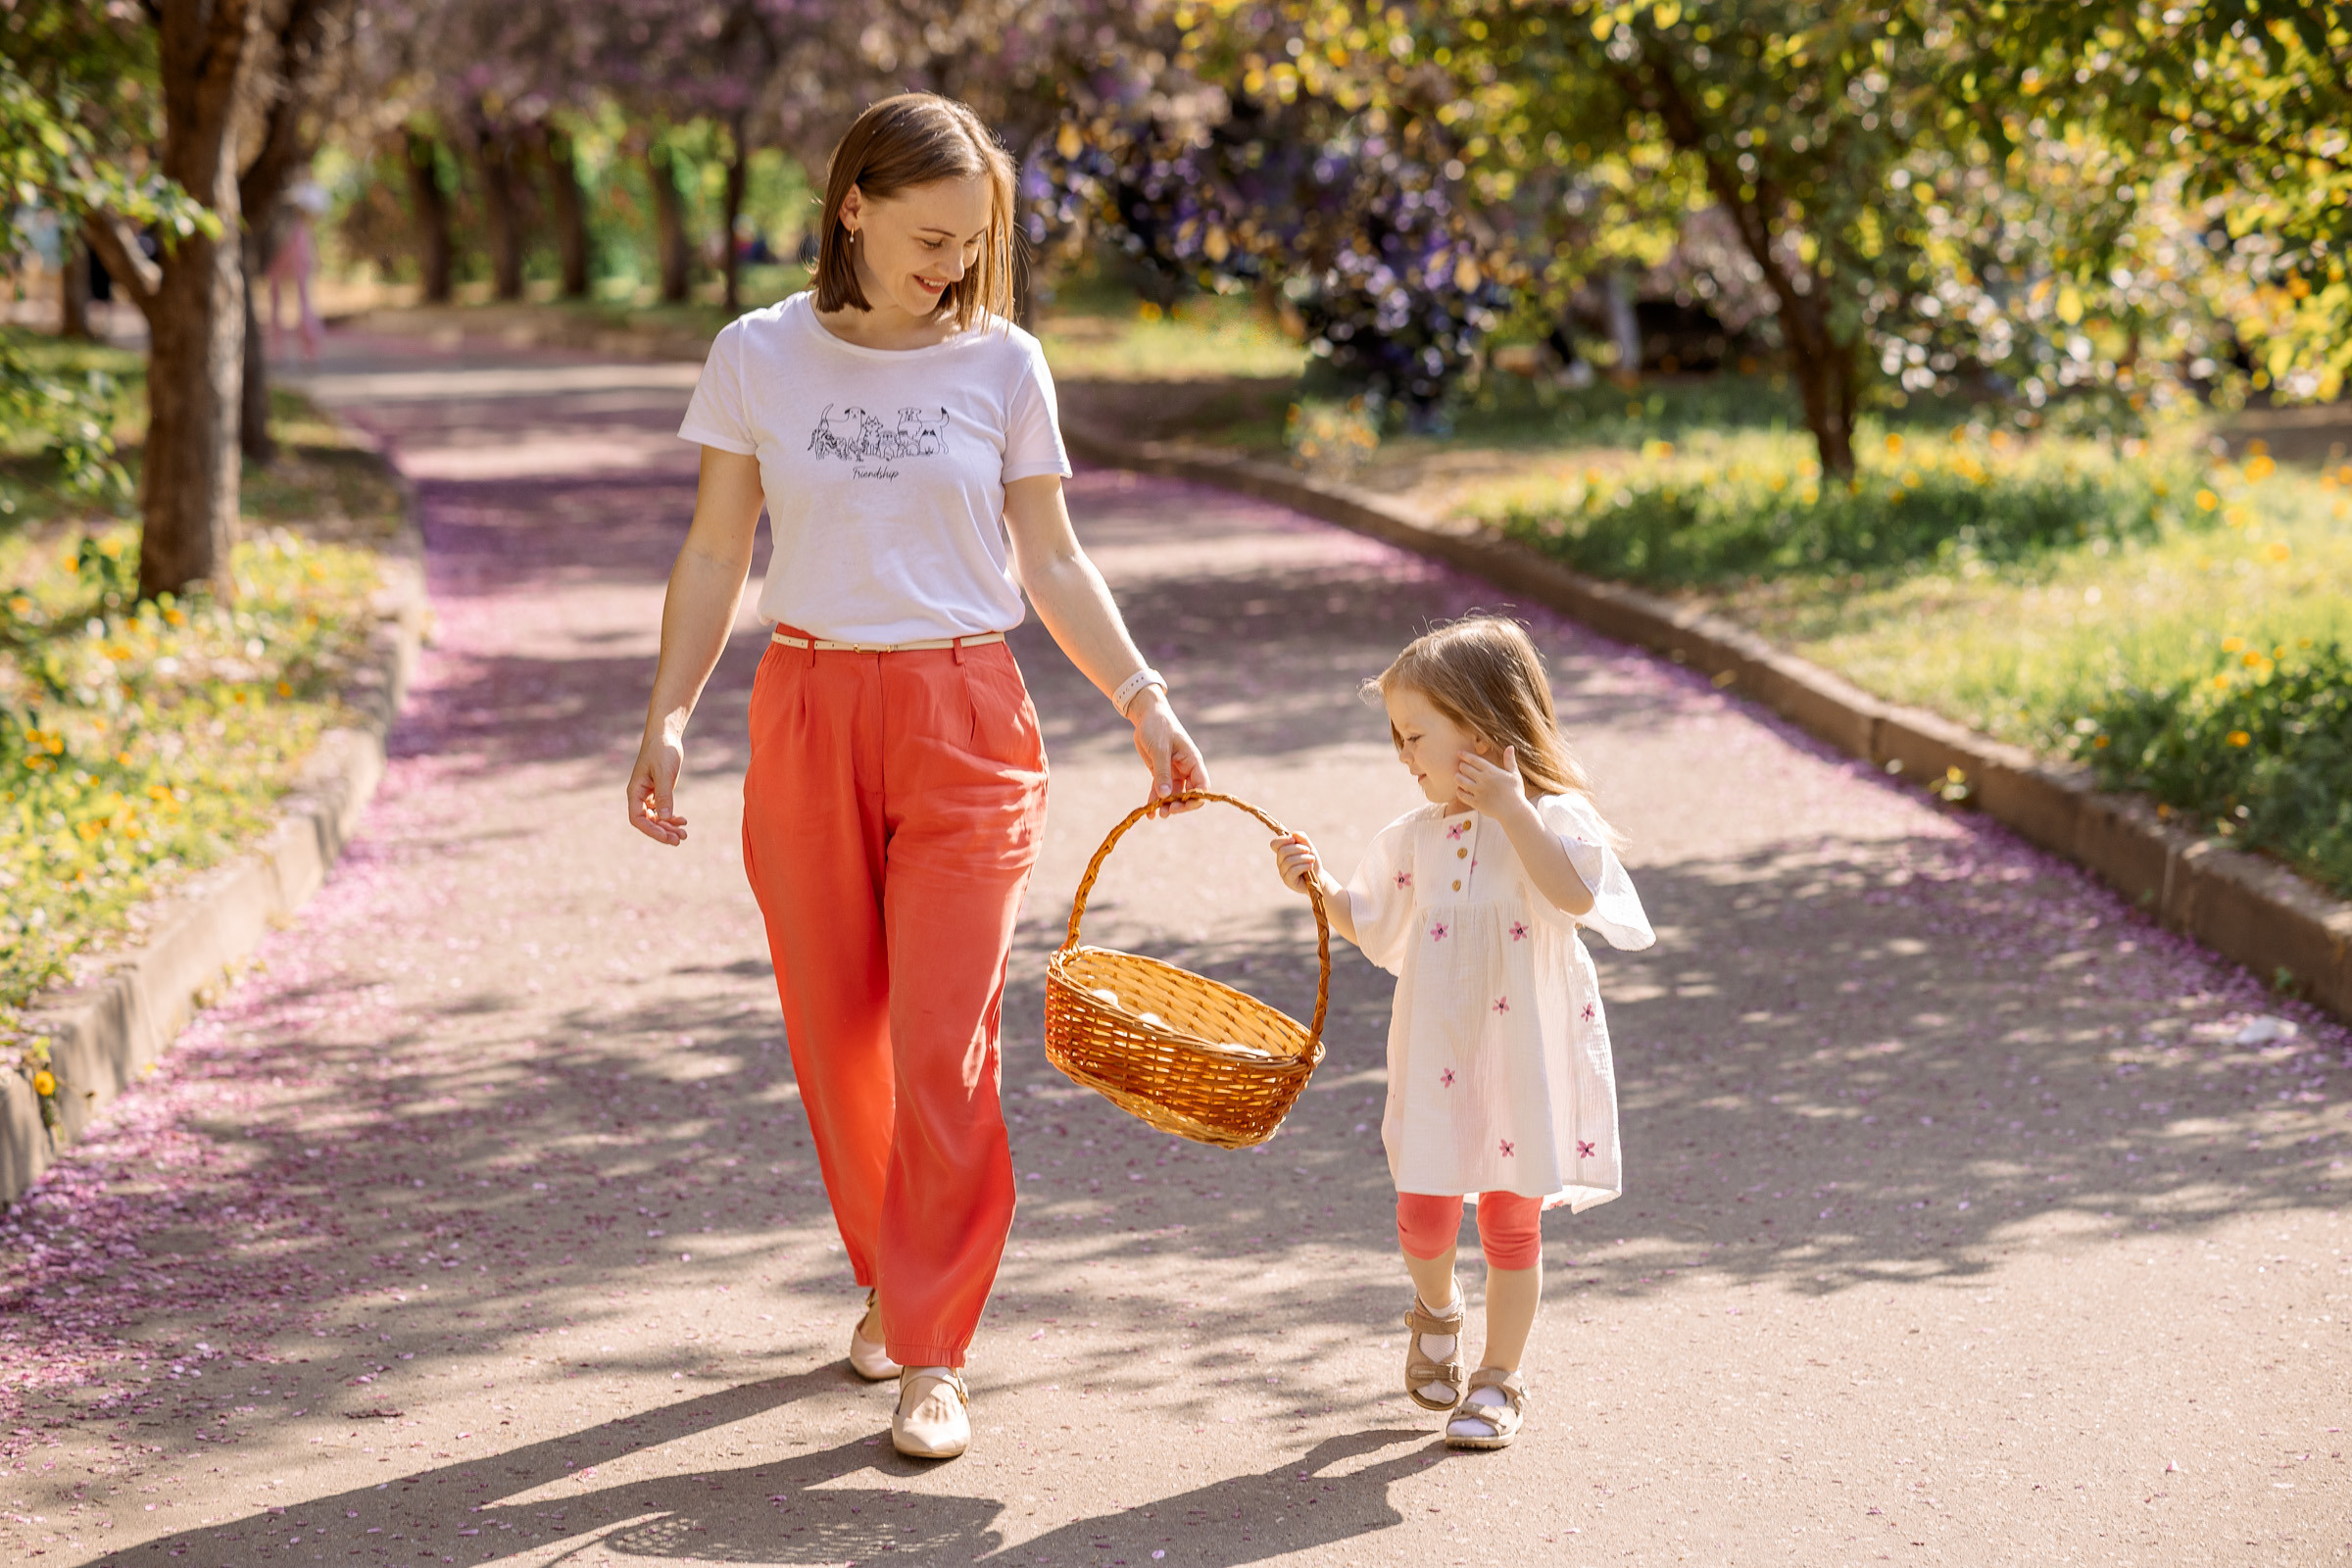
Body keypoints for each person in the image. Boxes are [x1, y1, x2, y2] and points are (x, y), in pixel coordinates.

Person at [626, 93, 1207, 1463]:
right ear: (855, 208)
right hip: (811, 705)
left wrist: (1144, 696)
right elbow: (717, 550)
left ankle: (936, 1350)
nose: (952, 264)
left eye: (973, 242)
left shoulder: (1002, 362)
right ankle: (893, 1275)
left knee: (944, 1042)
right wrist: (668, 712)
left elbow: (1052, 556)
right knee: (839, 1041)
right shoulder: (757, 354)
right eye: (931, 236)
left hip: (964, 708)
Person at [1270, 616, 1652, 1449]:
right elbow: (1370, 923)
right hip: (1441, 1054)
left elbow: (1574, 897)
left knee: (1513, 1220)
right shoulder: (1417, 838)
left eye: (1415, 735)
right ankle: (1436, 1307)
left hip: (1527, 1057)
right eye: (1397, 739)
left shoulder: (1554, 816)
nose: (1405, 757)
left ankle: (1498, 1377)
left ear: (1481, 729)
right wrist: (1320, 884)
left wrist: (1515, 807)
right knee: (1425, 1215)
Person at [268, 175, 329, 360]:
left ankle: (306, 345)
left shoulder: (300, 195)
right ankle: (288, 346)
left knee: (297, 298)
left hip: (289, 244)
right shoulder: (291, 194)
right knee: (286, 297)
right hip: (286, 245)